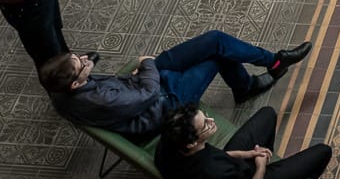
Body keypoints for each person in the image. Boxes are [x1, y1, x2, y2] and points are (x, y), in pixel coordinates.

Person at [38, 33, 312, 140]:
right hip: (163, 104)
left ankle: (273, 61)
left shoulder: (62, 90)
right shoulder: (99, 100)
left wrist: (145, 71)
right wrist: (147, 65)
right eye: (81, 64)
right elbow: (146, 96)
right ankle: (247, 86)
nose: (86, 59)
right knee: (217, 55)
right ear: (75, 83)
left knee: (215, 40)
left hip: (147, 85)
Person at [155, 100, 333, 179]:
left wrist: (251, 153)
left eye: (206, 116)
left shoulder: (168, 144)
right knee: (322, 151)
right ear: (191, 143)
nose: (211, 121)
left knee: (268, 113)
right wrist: (261, 166)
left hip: (227, 173)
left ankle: (269, 160)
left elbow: (219, 156)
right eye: (205, 125)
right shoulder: (215, 173)